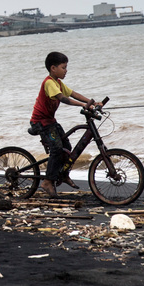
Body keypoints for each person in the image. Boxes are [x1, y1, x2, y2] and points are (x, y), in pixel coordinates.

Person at [29, 51, 101, 198]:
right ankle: (48, 181)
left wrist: (92, 102)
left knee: (66, 148)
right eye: (63, 67)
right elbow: (63, 99)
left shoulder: (59, 83)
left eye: (66, 67)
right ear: (53, 68)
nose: (66, 70)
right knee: (56, 149)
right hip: (40, 122)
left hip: (50, 121)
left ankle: (62, 174)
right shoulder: (49, 83)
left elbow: (73, 94)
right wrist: (84, 105)